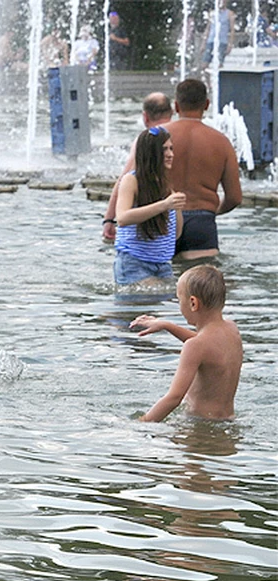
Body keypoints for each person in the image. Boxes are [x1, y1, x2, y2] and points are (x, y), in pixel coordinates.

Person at [131, 264, 242, 422]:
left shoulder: (195, 346)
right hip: (228, 420)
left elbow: (174, 398)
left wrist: (142, 423)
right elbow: (207, 346)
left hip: (199, 427)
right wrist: (167, 325)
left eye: (179, 299)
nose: (179, 306)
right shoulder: (231, 329)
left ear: (193, 303)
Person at [164, 78, 242, 260]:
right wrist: (210, 212)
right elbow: (235, 197)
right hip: (201, 222)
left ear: (176, 106)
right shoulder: (222, 142)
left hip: (162, 219)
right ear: (206, 104)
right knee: (204, 285)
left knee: (160, 283)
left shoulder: (156, 137)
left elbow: (131, 180)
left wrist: (111, 220)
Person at [113, 126, 185, 287]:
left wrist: (176, 207)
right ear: (151, 153)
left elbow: (176, 234)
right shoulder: (131, 180)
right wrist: (164, 205)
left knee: (172, 302)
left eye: (171, 149)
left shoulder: (165, 186)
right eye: (164, 149)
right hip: (134, 263)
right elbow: (122, 218)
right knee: (149, 303)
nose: (170, 154)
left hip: (162, 265)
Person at [103, 92, 174, 241]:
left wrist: (109, 219)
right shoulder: (190, 133)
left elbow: (125, 178)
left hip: (159, 219)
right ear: (172, 112)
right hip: (192, 217)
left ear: (145, 116)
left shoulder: (148, 140)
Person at [201, 4, 235, 69]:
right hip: (210, 41)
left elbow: (232, 30)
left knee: (219, 64)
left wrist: (230, 44)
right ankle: (206, 78)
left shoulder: (229, 13)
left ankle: (218, 78)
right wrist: (203, 43)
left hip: (222, 42)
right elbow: (208, 28)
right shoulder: (212, 13)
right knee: (204, 64)